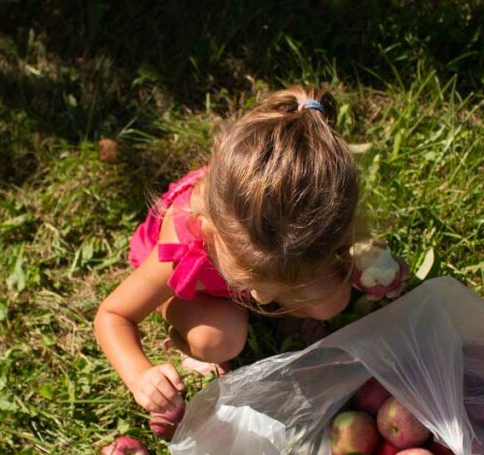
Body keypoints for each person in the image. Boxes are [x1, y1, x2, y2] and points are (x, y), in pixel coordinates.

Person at [94, 86, 361, 417]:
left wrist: (364, 266)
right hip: (191, 282)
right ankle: (175, 310)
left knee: (332, 297)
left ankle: (284, 315)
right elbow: (113, 315)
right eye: (251, 279)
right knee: (217, 338)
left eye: (269, 288)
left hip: (260, 252)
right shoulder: (183, 242)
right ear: (209, 227)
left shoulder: (313, 220)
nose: (261, 298)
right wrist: (139, 376)